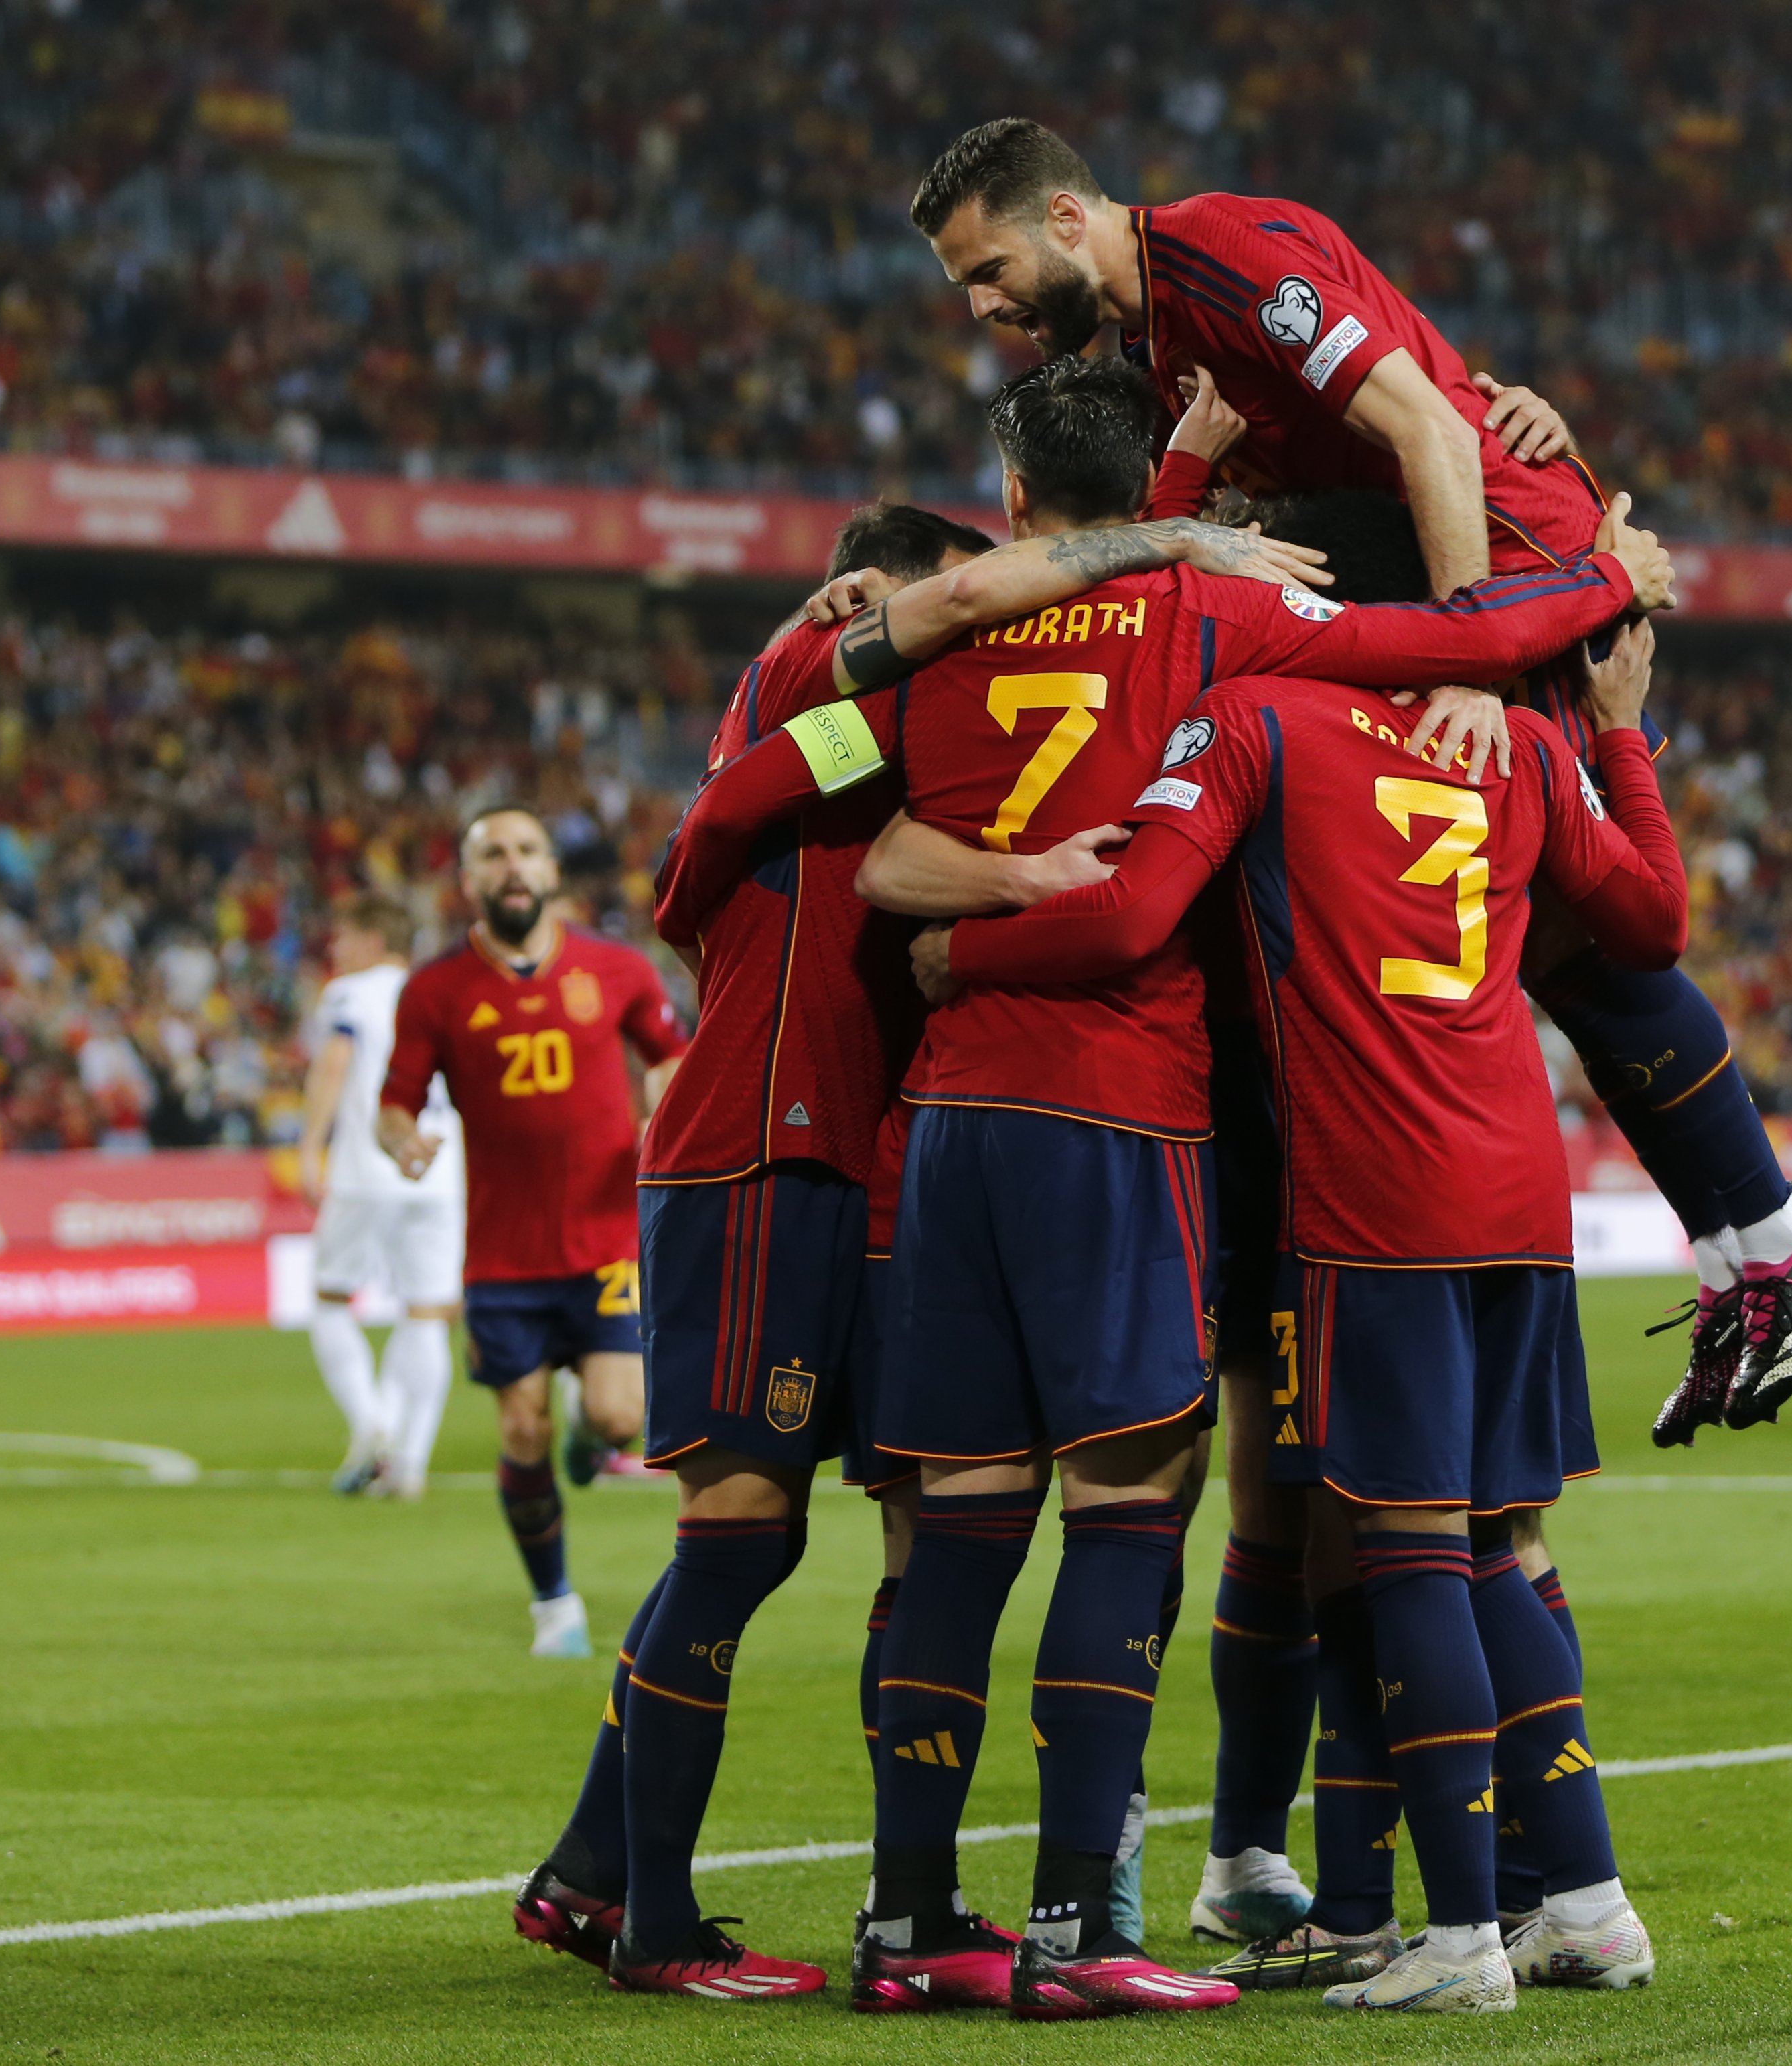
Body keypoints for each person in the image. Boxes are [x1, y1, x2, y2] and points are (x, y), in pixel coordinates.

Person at [661, 353, 1671, 2020]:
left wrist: (963, 898)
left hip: (943, 1124)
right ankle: (1078, 1926)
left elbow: (831, 833)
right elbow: (1463, 642)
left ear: (1007, 503)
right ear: (1157, 492)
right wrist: (1599, 578)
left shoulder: (940, 635)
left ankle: (911, 1917)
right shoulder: (1231, 632)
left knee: (954, 1530)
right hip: (1126, 1119)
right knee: (1134, 1510)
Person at [905, 115, 1792, 1457]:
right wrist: (1486, 402)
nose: (982, 306)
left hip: (1516, 578)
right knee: (1538, 937)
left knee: (1588, 929)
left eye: (983, 268)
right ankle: (1744, 1238)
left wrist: (1477, 650)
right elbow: (1399, 402)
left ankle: (1769, 1230)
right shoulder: (1175, 334)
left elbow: (1426, 430)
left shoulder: (1221, 255)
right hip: (1459, 570)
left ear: (1067, 221)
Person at [511, 496, 1351, 2004]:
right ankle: (648, 1920)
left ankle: (656, 1878)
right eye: (957, 608)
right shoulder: (837, 699)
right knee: (743, 1531)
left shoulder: (916, 722)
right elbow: (705, 838)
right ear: (873, 596)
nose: (983, 634)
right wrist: (1028, 871)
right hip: (776, 1145)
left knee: (912, 1530)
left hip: (886, 1156)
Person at [916, 609, 1688, 2011]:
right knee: (1499, 1542)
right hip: (1522, 1190)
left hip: (1378, 1188)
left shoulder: (1261, 716)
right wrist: (1622, 732)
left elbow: (1137, 908)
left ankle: (1457, 1939)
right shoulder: (1513, 739)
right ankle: (1587, 1904)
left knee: (1405, 1554)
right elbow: (1652, 922)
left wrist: (956, 961)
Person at [378, 810, 688, 1656]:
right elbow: (394, 1105)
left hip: (605, 1241)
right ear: (469, 881)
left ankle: (595, 1438)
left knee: (621, 1415)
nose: (511, 868)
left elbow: (669, 1055)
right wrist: (405, 1142)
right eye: (492, 856)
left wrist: (667, 1094)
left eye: (524, 851)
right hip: (503, 1257)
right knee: (520, 1432)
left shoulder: (616, 969)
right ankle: (554, 1603)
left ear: (551, 869)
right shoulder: (436, 991)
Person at [295, 895, 460, 1499]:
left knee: (331, 1299)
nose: (335, 949)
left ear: (371, 940)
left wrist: (312, 1144)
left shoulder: (350, 992)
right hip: (440, 1168)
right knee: (427, 1313)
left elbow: (335, 1064)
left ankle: (370, 1425)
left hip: (369, 1167)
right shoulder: (440, 988)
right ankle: (410, 1461)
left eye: (343, 937)